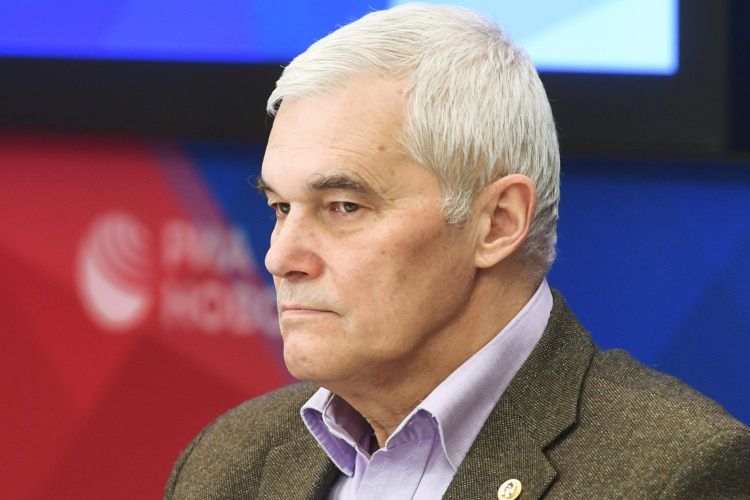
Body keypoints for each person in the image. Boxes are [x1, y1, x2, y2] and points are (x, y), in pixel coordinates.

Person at [164, 4, 750, 499]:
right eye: (280, 208)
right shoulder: (229, 463)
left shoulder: (675, 474)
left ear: (497, 223)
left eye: (344, 206)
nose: (280, 258)